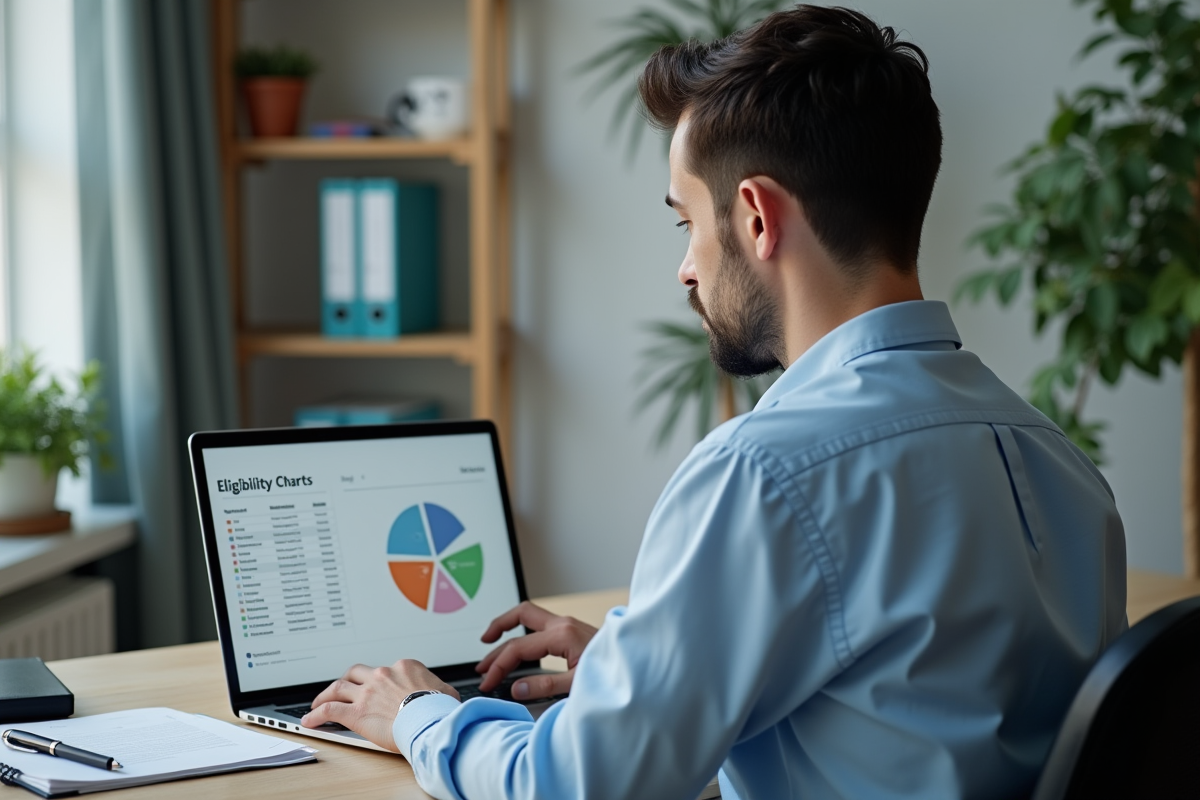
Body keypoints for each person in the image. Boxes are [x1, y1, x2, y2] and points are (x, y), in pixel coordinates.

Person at [301, 6, 1128, 798]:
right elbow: (918, 701)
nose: (687, 269)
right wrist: (647, 665)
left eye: (686, 221)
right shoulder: (1057, 459)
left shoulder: (764, 472)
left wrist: (415, 716)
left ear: (757, 217)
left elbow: (574, 785)